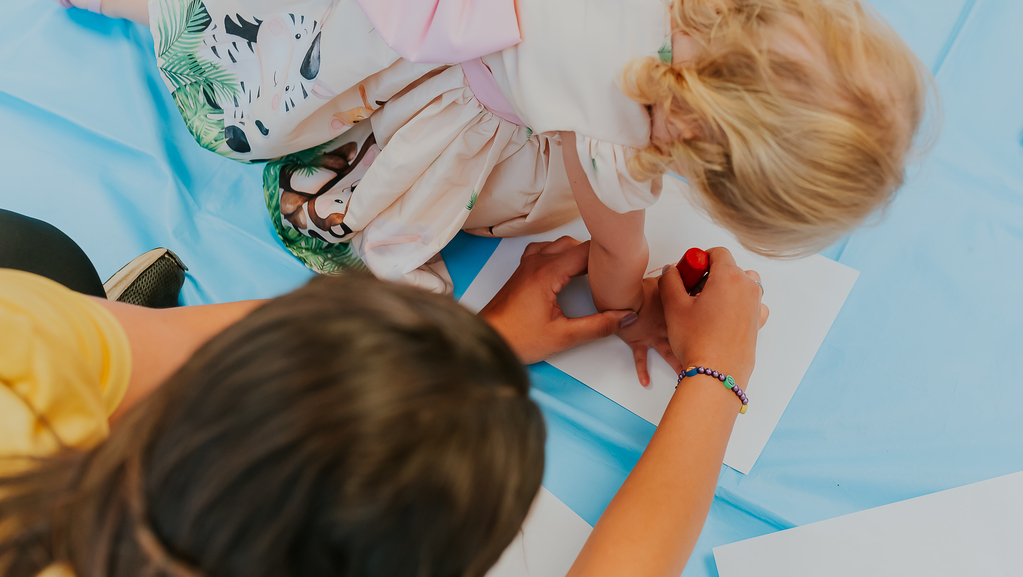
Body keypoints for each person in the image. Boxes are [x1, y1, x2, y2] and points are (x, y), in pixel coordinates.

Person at [49, 0, 926, 384]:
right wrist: (640, 307)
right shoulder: (620, 122)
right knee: (258, 31)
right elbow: (616, 251)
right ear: (692, 140)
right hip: (418, 19)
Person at [0, 215, 768, 577]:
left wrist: (456, 350)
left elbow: (275, 341)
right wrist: (717, 374)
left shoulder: (20, 350)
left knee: (38, 260)